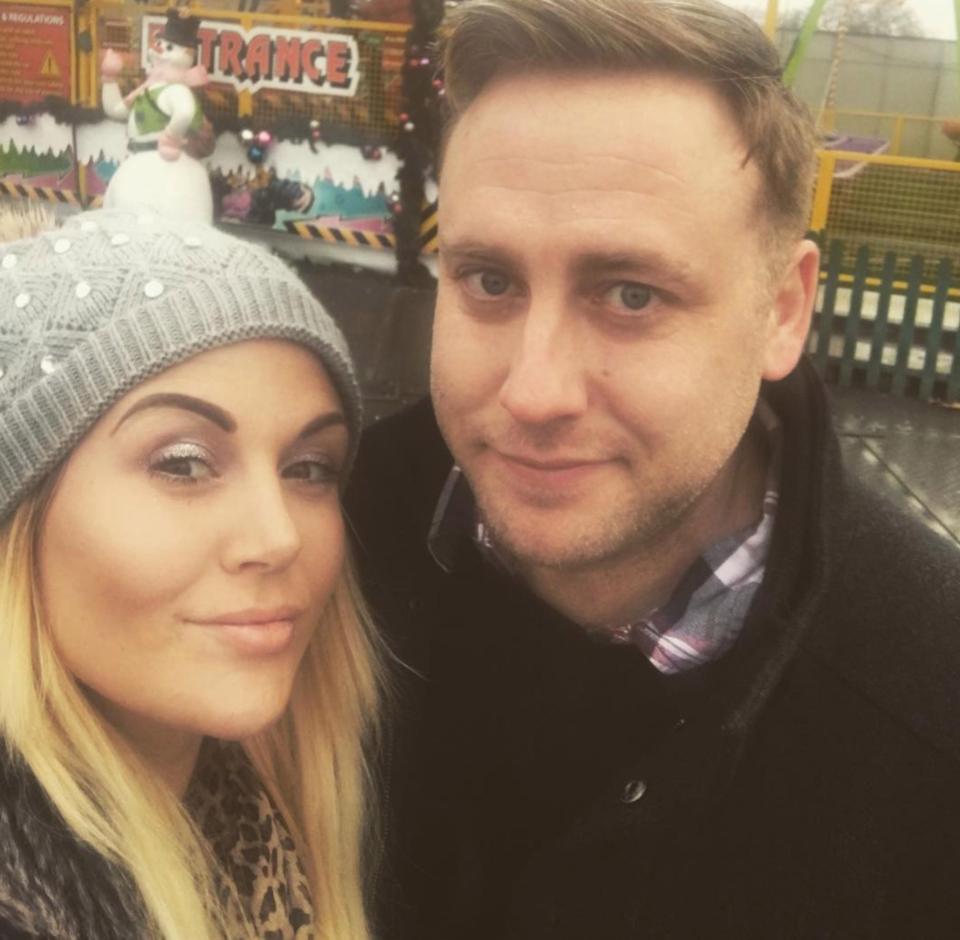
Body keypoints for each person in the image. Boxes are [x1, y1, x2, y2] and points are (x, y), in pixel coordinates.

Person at [345, 1, 960, 937]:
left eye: (631, 295)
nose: (533, 391)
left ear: (783, 312)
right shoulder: (316, 564)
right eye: (489, 281)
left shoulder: (928, 703)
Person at [0, 208, 383, 940]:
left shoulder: (252, 824)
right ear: (19, 513)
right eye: (182, 463)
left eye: (310, 468)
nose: (277, 538)